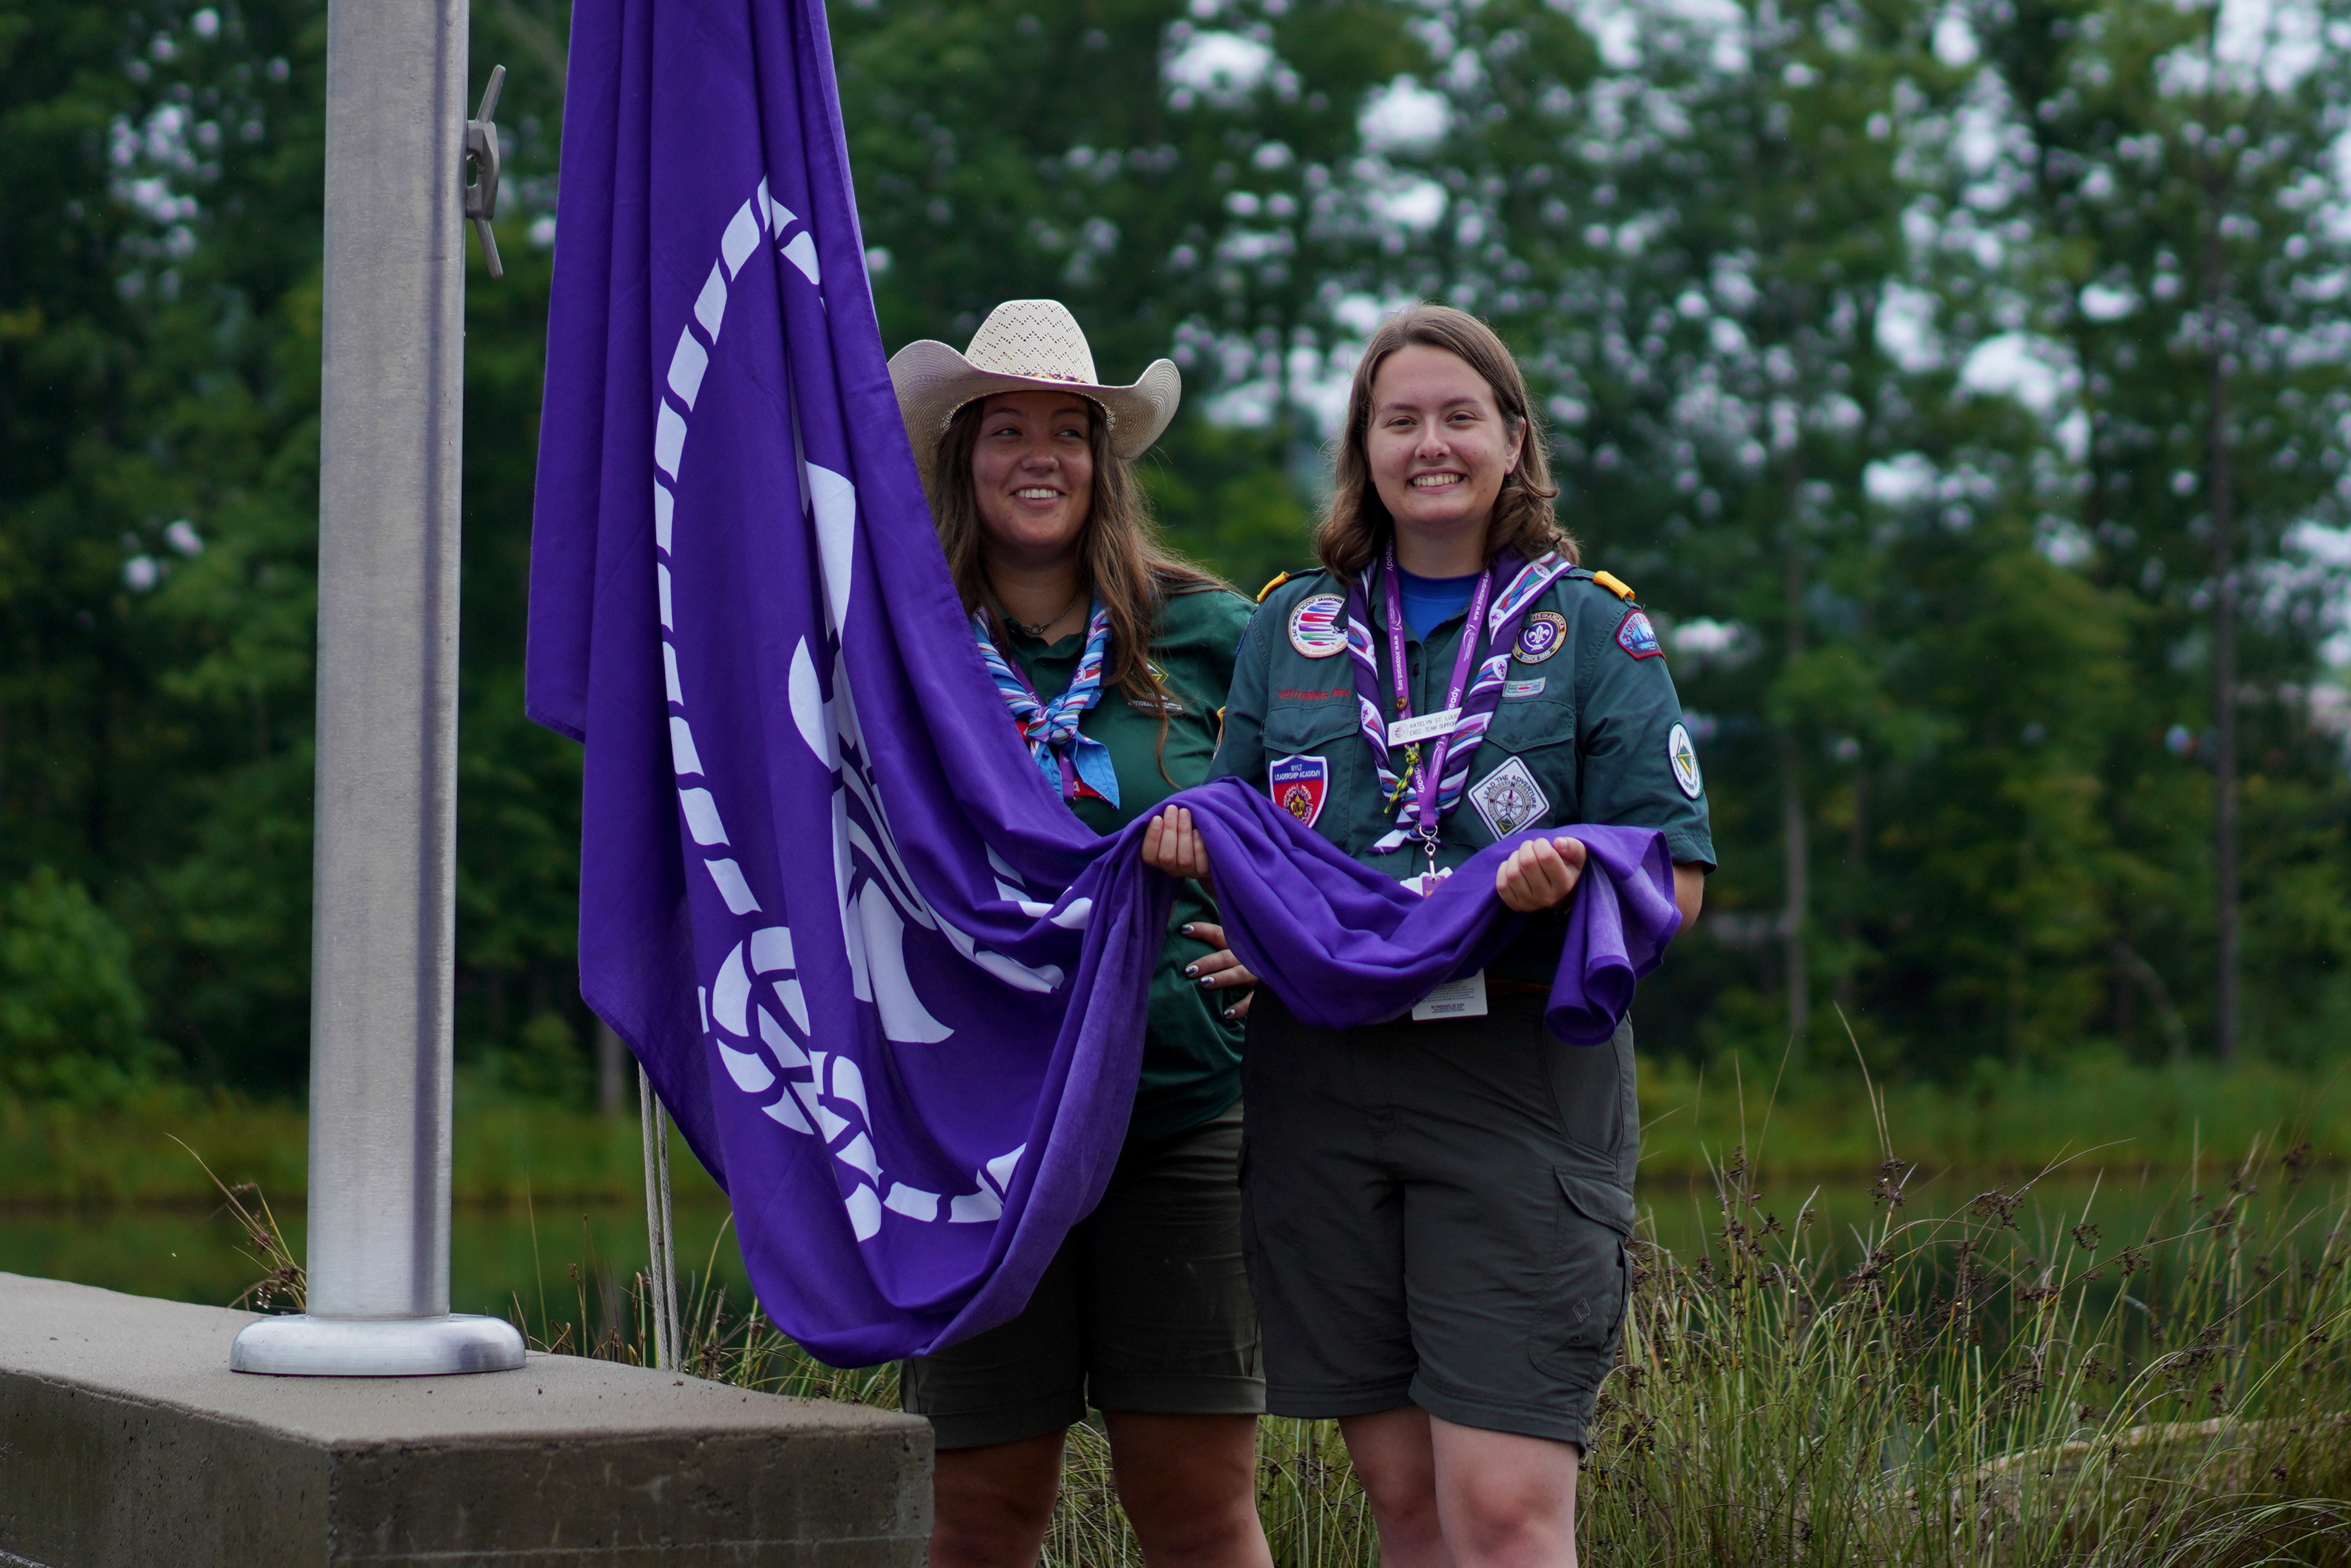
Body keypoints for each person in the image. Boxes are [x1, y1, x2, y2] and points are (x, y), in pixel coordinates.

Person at [1141, 303, 1713, 1568]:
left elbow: (1671, 884)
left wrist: (1564, 888)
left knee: (1503, 1511)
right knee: (1404, 1503)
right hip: (1323, 1091)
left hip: (1510, 1086)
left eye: (1459, 415)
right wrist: (1234, 901)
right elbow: (1246, 848)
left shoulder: (1594, 630)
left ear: (1513, 439)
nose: (1429, 444)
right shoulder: (1290, 630)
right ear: (1364, 449)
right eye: (1398, 420)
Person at [887, 299, 1272, 1568]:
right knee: (977, 1514)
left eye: (1069, 428)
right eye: (1005, 429)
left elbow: (1329, 824)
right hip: (978, 1134)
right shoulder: (901, 648)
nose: (1037, 454)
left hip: (1179, 1112)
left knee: (1198, 1511)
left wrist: (1279, 943)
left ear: (1105, 460)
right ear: (963, 453)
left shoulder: (1211, 635)